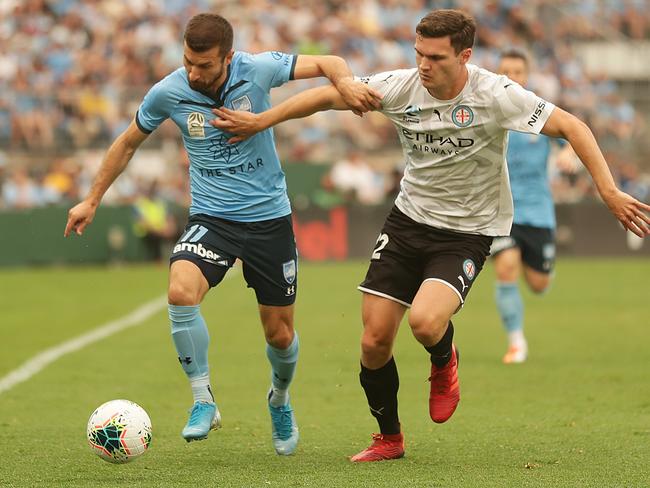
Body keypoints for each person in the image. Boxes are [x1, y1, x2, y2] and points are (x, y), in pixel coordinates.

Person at [210, 9, 650, 462]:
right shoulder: (401, 86)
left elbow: (573, 126)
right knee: (373, 340)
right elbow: (325, 98)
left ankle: (444, 360)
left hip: (468, 230)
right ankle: (390, 438)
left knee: (424, 321)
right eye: (418, 53)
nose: (423, 64)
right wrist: (263, 122)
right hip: (408, 221)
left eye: (435, 57)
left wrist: (609, 191)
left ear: (464, 56)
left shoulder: (496, 94)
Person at [64, 12, 381, 455]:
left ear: (228, 58)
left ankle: (280, 399)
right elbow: (128, 141)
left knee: (280, 335)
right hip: (212, 218)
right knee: (179, 292)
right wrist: (92, 198)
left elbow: (329, 61)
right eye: (189, 61)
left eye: (206, 65)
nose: (195, 72)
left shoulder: (259, 68)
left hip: (269, 219)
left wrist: (345, 84)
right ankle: (202, 399)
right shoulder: (169, 91)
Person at [490, 50, 576, 364]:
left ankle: (537, 266)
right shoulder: (489, 112)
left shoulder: (538, 112)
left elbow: (569, 138)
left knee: (539, 285)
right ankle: (516, 343)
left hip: (538, 212)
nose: (511, 76)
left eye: (517, 71)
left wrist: (568, 155)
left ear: (526, 76)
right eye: (505, 71)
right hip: (502, 212)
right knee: (506, 267)